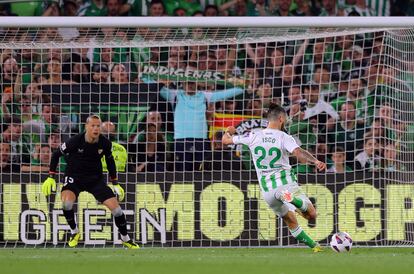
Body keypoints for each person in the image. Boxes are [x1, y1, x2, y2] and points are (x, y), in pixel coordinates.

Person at [222, 103, 326, 252]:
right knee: (311, 215)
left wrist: (228, 131)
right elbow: (298, 153)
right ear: (281, 118)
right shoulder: (284, 137)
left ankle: (315, 247)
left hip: (268, 191)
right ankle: (293, 200)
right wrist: (315, 161)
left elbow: (225, 141)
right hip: (285, 184)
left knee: (291, 221)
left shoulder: (253, 135)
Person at [41, 115, 138, 249]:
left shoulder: (105, 143)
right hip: (74, 177)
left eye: (98, 126)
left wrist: (115, 183)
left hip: (95, 180)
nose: (96, 128)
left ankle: (126, 238)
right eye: (92, 125)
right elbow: (56, 154)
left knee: (117, 211)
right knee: (67, 204)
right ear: (86, 127)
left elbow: (110, 161)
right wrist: (51, 176)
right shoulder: (75, 141)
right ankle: (74, 232)